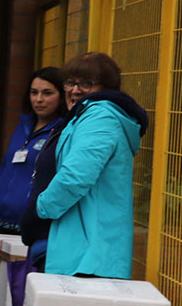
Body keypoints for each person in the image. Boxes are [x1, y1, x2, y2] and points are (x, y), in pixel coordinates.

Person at [20, 52, 147, 279]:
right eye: (70, 82)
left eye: (86, 83)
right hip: (78, 250)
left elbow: (75, 177)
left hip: (87, 257)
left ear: (107, 87)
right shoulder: (83, 115)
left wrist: (39, 211)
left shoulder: (101, 117)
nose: (75, 90)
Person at [0, 67, 66, 234]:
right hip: (3, 222)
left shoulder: (62, 132)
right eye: (34, 92)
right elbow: (7, 162)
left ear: (62, 96)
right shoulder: (24, 126)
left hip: (35, 227)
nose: (39, 99)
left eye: (47, 93)